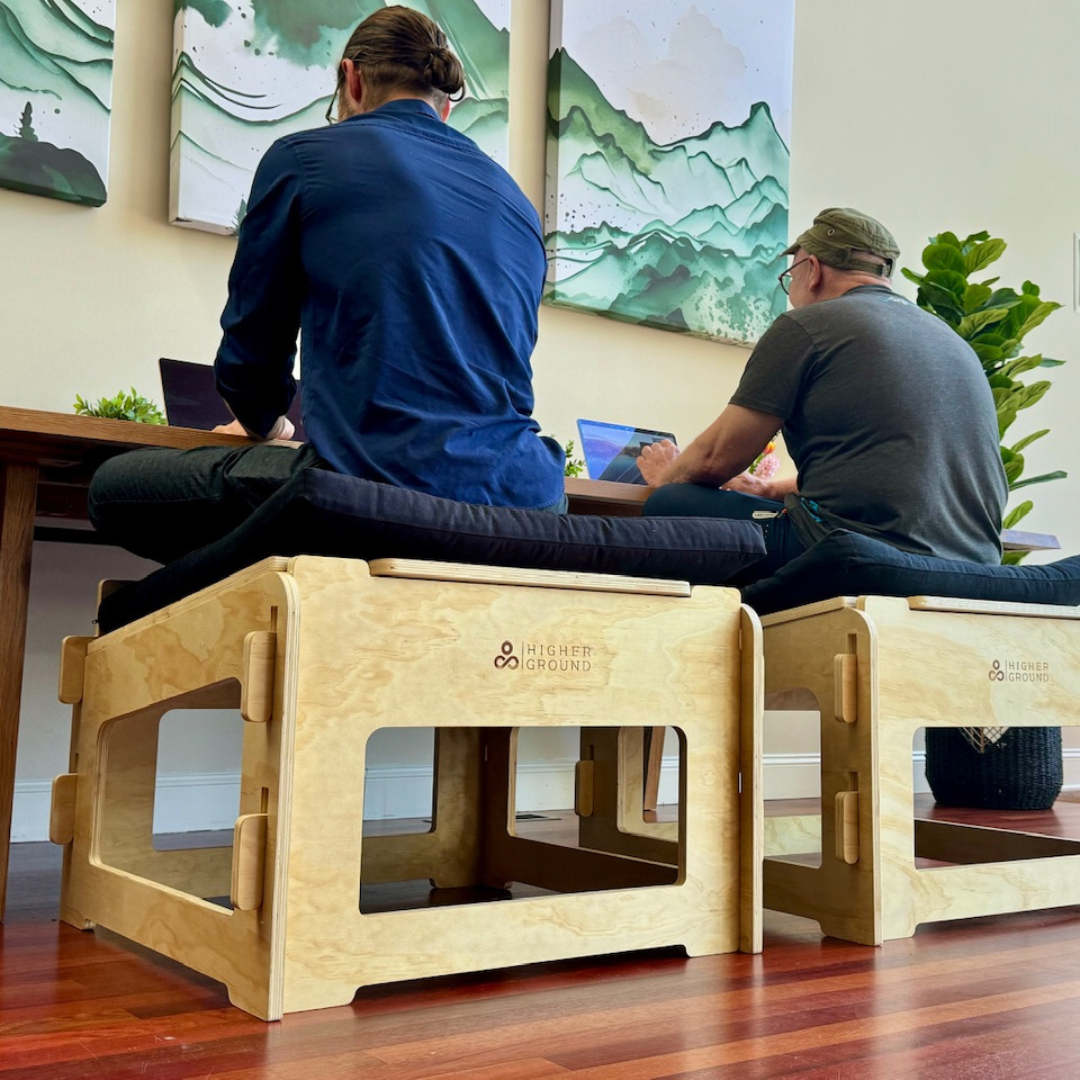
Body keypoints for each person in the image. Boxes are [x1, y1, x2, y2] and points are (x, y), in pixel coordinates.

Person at [88, 6, 564, 565]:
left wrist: (270, 423)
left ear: (351, 78)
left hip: (375, 496)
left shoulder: (303, 158)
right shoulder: (520, 205)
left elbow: (249, 364)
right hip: (528, 504)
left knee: (114, 488)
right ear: (447, 108)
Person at [638, 207, 1008, 584]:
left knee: (672, 504)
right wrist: (766, 488)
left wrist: (665, 477)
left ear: (812, 270)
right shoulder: (952, 341)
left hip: (858, 558)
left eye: (790, 275)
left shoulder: (806, 326)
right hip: (974, 570)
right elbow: (883, 467)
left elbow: (716, 459)